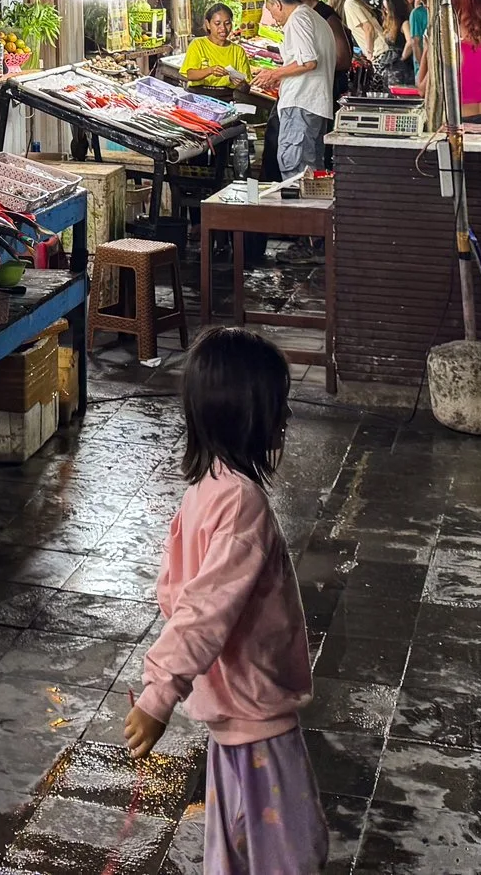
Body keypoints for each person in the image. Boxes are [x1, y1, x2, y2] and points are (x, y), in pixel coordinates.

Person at [124, 329, 324, 874]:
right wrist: (159, 695)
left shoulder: (205, 490)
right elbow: (203, 611)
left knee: (234, 854)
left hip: (229, 714)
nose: (286, 417)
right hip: (257, 715)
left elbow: (175, 592)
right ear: (247, 414)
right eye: (278, 404)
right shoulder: (241, 503)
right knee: (293, 856)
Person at [251, 0, 336, 180]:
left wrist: (274, 74)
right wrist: (280, 74)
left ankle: (299, 202)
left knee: (295, 169)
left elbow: (308, 62)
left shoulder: (297, 19)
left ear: (277, 4)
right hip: (314, 105)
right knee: (312, 172)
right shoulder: (314, 18)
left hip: (301, 104)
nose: (274, 19)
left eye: (271, 11)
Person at [182, 3, 254, 90]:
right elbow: (190, 75)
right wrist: (210, 70)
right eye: (217, 23)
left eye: (227, 23)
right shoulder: (198, 44)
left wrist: (241, 83)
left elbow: (247, 87)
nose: (223, 28)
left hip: (227, 95)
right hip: (199, 93)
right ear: (208, 24)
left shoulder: (238, 51)